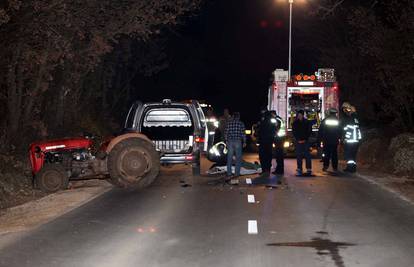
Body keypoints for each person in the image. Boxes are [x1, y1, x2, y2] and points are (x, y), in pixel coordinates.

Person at [318, 108, 341, 172]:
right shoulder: (337, 121)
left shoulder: (325, 120)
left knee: (326, 154)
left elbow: (321, 131)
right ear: (335, 113)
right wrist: (340, 138)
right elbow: (340, 131)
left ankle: (325, 166)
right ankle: (335, 167)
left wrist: (319, 140)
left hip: (326, 140)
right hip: (334, 141)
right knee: (334, 154)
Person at [341, 102, 362, 173]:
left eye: (345, 109)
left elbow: (349, 129)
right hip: (356, 140)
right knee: (353, 155)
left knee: (349, 155)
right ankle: (353, 168)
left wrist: (345, 138)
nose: (344, 111)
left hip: (350, 140)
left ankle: (350, 168)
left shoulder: (350, 118)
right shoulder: (356, 118)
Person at [224, 112, 246, 177]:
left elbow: (226, 133)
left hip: (230, 141)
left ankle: (229, 173)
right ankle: (236, 173)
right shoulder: (241, 124)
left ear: (233, 116)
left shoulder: (229, 123)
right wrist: (244, 142)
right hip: (238, 142)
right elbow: (243, 134)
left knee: (229, 158)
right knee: (238, 158)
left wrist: (226, 141)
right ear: (238, 117)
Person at [292, 110, 312, 176]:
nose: (299, 116)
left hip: (306, 141)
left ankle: (309, 168)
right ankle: (299, 168)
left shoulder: (307, 122)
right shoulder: (295, 123)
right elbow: (294, 132)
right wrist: (298, 139)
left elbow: (309, 131)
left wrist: (305, 139)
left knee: (307, 155)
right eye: (298, 115)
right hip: (298, 141)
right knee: (299, 155)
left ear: (303, 115)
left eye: (300, 115)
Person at [258, 111, 277, 178]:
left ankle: (264, 170)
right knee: (268, 157)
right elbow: (275, 131)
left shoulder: (262, 122)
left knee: (263, 157)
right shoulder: (272, 123)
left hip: (262, 142)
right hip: (269, 142)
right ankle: (267, 171)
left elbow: (259, 132)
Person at [270, 110, 285, 175]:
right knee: (279, 156)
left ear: (273, 114)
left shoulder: (277, 120)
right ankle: (280, 170)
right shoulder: (279, 119)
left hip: (279, 139)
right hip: (281, 138)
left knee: (279, 156)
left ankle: (279, 170)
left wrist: (273, 134)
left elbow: (276, 129)